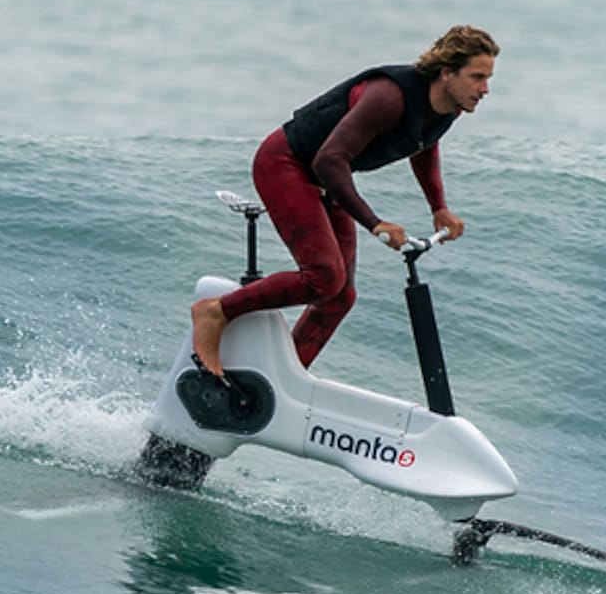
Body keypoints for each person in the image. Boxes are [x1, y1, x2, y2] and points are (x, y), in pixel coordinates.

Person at [191, 25, 499, 377]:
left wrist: (438, 207)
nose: (485, 89)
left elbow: (424, 143)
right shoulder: (389, 96)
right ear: (447, 73)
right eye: (477, 77)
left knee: (340, 297)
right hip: (286, 163)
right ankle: (215, 312)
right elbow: (328, 159)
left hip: (327, 180)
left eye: (488, 78)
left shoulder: (449, 108)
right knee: (323, 277)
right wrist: (375, 223)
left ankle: (277, 376)